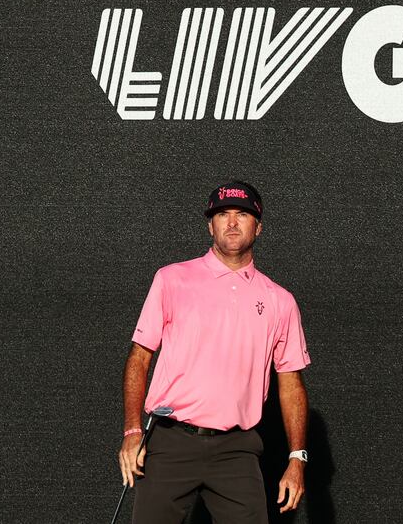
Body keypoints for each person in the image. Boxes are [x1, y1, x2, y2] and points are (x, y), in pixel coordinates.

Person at [118, 181, 311, 524]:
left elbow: (291, 382)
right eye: (223, 215)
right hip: (171, 443)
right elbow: (139, 357)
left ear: (259, 227)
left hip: (237, 451)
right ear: (211, 225)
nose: (232, 223)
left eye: (242, 215)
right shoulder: (171, 279)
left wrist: (297, 458)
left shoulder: (280, 301)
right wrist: (133, 433)